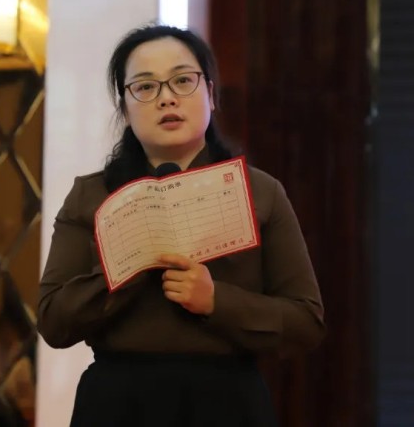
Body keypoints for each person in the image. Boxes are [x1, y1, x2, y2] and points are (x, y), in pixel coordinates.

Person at [37, 24, 325, 426]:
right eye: (145, 87)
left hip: (229, 404)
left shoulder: (260, 192)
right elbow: (53, 321)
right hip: (118, 405)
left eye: (183, 81)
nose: (167, 98)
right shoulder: (91, 196)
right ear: (125, 107)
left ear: (211, 93)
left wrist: (216, 301)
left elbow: (306, 323)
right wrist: (130, 267)